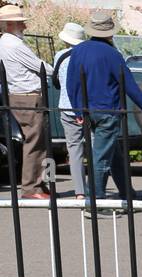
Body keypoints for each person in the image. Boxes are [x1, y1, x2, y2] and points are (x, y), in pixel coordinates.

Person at [66, 11, 142, 209]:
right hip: (109, 111)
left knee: (113, 153)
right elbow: (131, 87)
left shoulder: (78, 51)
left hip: (89, 110)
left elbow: (71, 83)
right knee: (101, 157)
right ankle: (95, 201)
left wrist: (78, 111)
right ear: (109, 33)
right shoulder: (114, 55)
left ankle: (128, 194)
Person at [0, 5, 54, 200]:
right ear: (11, 24)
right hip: (28, 96)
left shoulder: (6, 42)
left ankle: (38, 185)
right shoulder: (13, 44)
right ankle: (31, 188)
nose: (24, 25)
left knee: (36, 141)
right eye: (20, 21)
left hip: (20, 94)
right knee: (35, 142)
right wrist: (56, 71)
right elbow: (39, 66)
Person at [52, 21, 86, 199]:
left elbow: (56, 81)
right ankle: (98, 188)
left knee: (74, 148)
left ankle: (80, 191)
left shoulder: (60, 56)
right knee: (97, 147)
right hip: (87, 106)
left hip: (66, 106)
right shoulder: (87, 55)